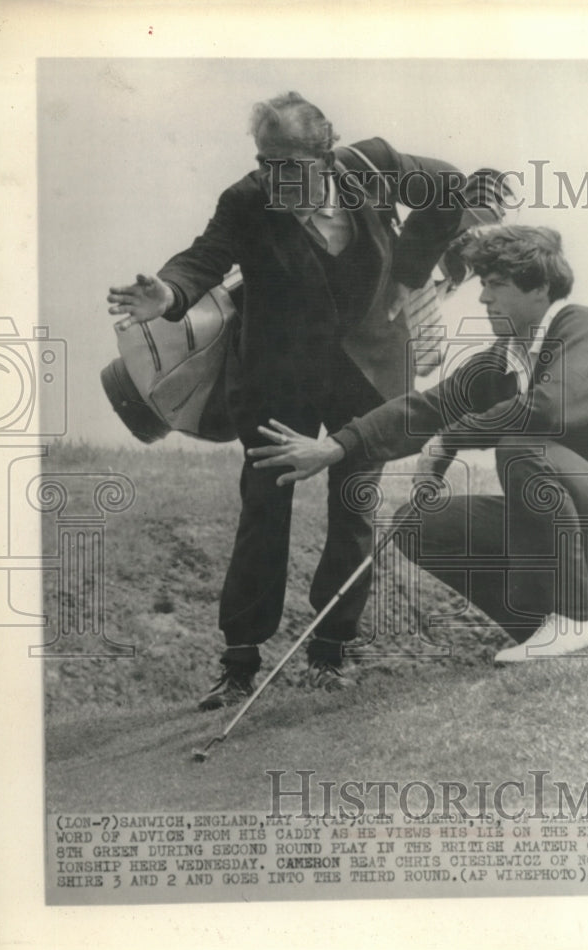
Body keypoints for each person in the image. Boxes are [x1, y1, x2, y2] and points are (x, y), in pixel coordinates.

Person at [107, 92, 467, 706]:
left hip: (369, 368)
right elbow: (204, 259)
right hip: (279, 373)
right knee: (264, 508)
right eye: (266, 163)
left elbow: (452, 189)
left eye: (290, 166)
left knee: (354, 502)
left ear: (324, 156)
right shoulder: (246, 199)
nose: (276, 179)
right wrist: (168, 294)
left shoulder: (373, 165)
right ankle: (240, 661)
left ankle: (330, 653)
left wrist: (409, 272)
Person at [247, 224, 588, 663]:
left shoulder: (582, 327)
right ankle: (567, 626)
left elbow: (544, 411)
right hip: (577, 521)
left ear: (541, 289)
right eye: (483, 285)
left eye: (497, 285)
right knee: (417, 524)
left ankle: (576, 618)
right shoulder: (504, 358)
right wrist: (334, 447)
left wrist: (449, 439)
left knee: (520, 445)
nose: (484, 297)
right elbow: (426, 408)